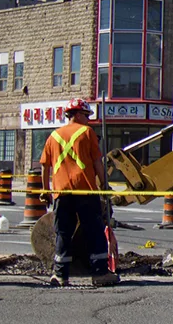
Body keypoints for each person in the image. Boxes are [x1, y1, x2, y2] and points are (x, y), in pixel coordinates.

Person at [40, 98, 118, 287]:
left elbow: (44, 165)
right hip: (85, 191)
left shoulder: (54, 136)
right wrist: (104, 186)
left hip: (62, 193)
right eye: (86, 115)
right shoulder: (87, 133)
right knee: (94, 232)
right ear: (76, 114)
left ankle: (60, 275)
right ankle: (99, 274)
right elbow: (97, 162)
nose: (88, 120)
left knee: (63, 233)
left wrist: (45, 190)